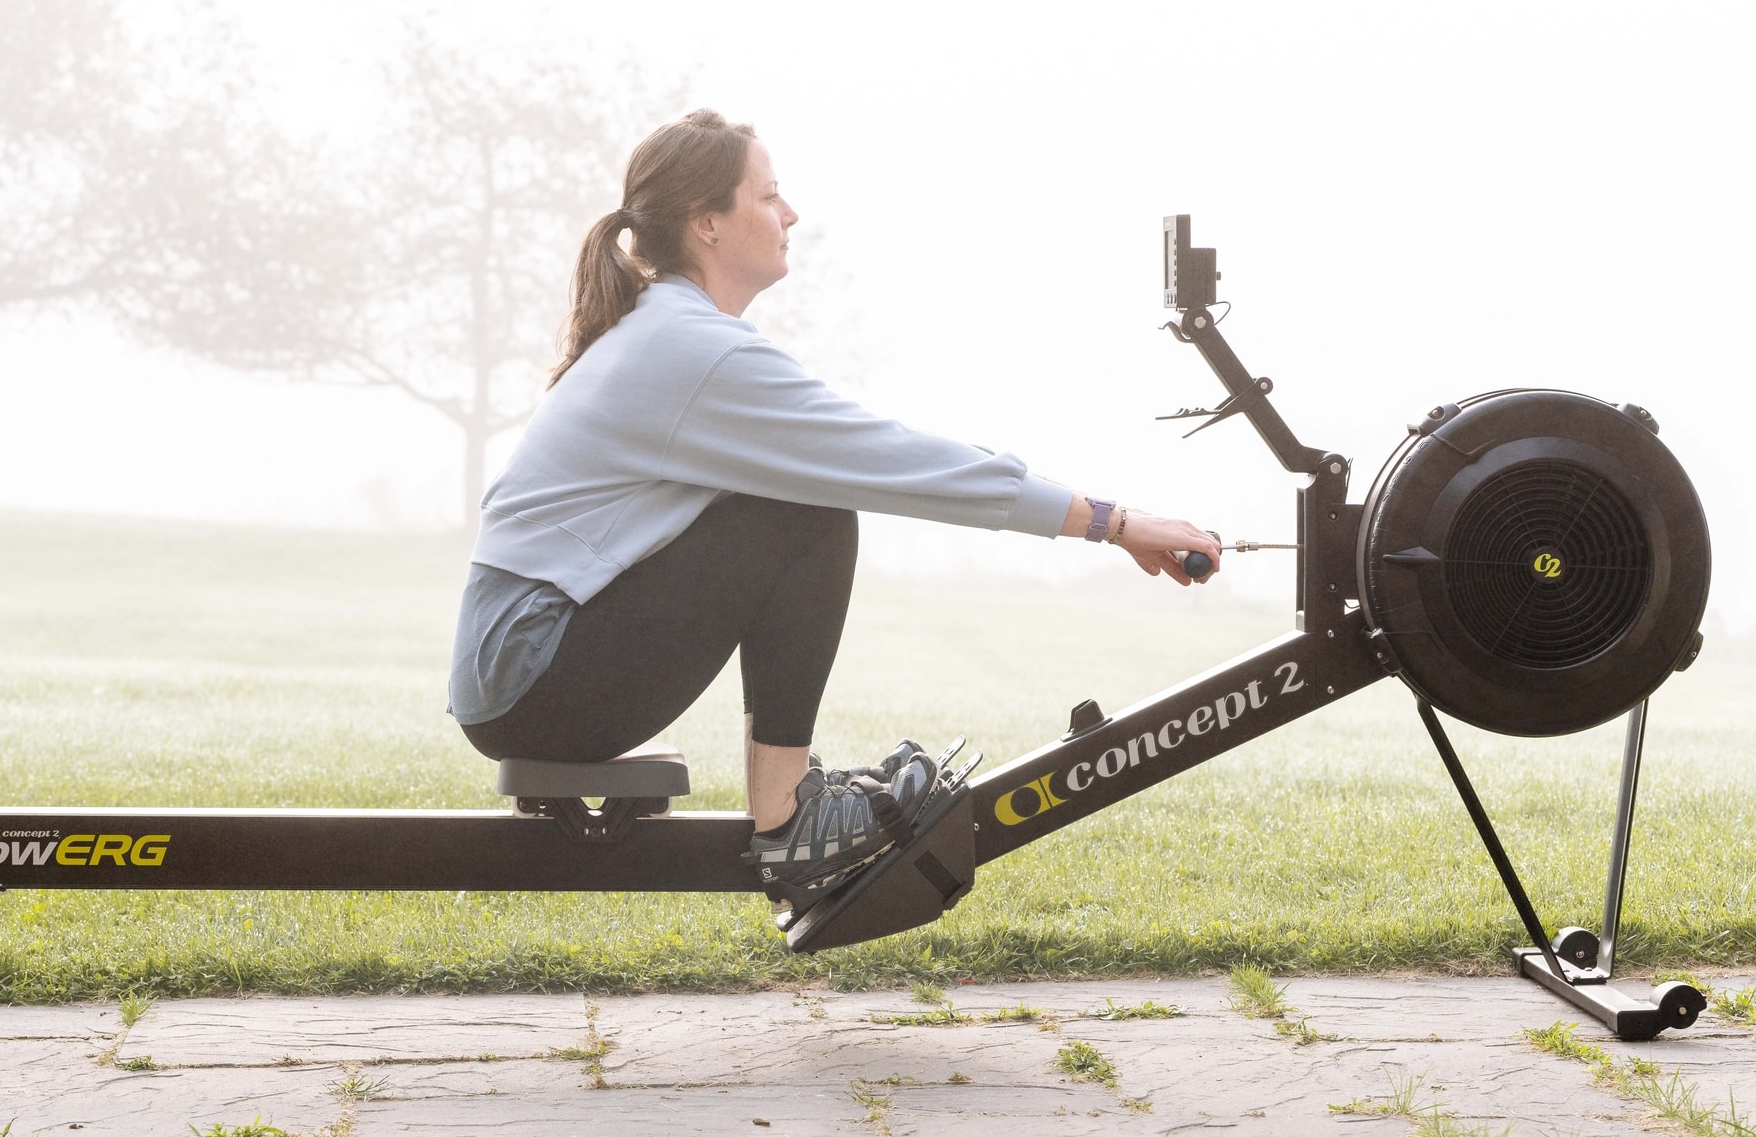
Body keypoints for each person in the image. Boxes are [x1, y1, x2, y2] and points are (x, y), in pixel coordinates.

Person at [449, 109, 1222, 901]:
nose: (790, 215)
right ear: (707, 222)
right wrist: (1115, 523)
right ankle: (787, 822)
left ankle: (788, 804)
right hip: (532, 674)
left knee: (792, 501)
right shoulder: (691, 350)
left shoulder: (664, 333)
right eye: (769, 195)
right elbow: (902, 464)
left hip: (517, 670)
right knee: (803, 512)